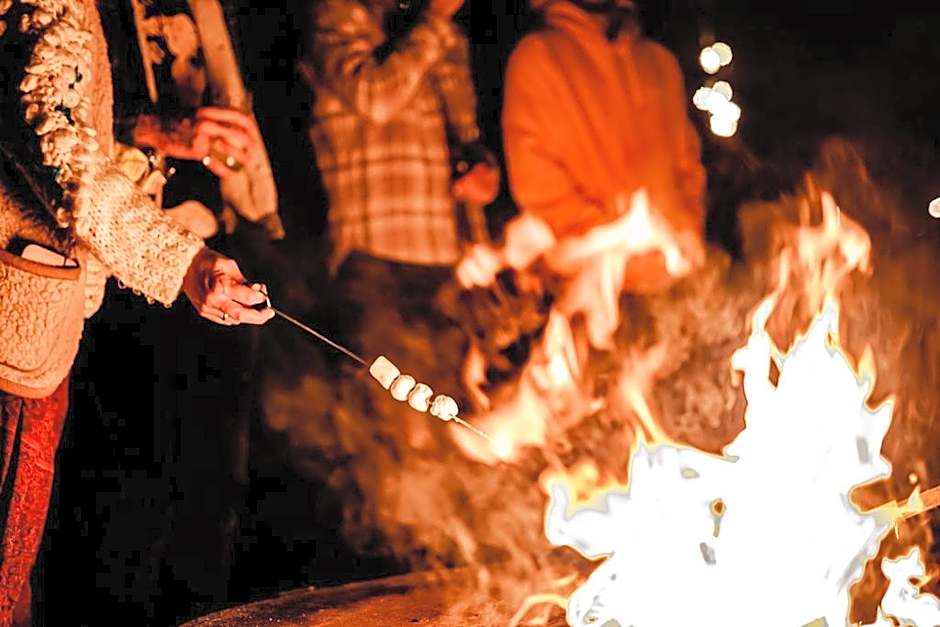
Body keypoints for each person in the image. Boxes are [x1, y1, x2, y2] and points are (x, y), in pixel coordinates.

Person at [0, 0, 273, 623]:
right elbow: (56, 134)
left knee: (204, 493)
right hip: (32, 305)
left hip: (77, 288)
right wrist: (180, 262)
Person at [299, 0, 499, 445]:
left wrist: (484, 176)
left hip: (445, 263)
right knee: (384, 435)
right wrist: (436, 21)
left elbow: (467, 140)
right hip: (374, 261)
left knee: (446, 429)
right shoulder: (338, 17)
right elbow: (375, 98)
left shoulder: (443, 34)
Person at [458, 0, 707, 300]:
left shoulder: (660, 64)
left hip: (672, 288)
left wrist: (683, 230)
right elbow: (540, 189)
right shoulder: (540, 58)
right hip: (586, 296)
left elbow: (688, 167)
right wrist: (618, 240)